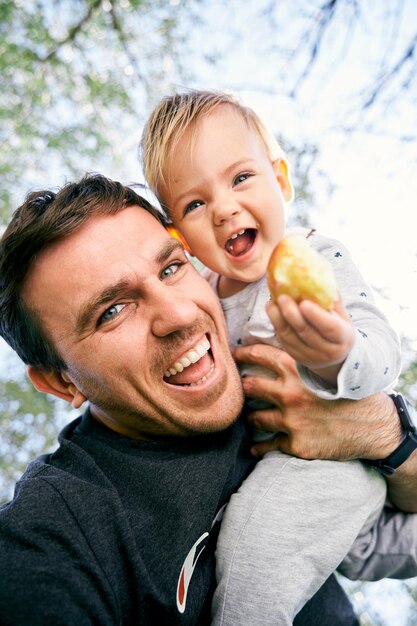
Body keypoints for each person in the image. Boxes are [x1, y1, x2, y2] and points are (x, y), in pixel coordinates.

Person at [0, 174, 415, 626]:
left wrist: (385, 433)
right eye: (113, 311)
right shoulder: (55, 534)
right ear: (61, 383)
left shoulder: (270, 374)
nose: (179, 314)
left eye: (171, 268)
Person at [140, 90, 417, 624]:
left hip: (326, 464)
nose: (223, 208)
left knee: (253, 546)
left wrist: (340, 352)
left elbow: (386, 357)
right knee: (358, 558)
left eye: (241, 178)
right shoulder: (201, 296)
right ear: (180, 238)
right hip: (312, 485)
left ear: (281, 181)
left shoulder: (311, 254)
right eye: (195, 204)